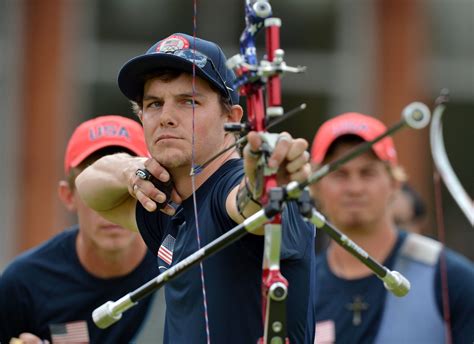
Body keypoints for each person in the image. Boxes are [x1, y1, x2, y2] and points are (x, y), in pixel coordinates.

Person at [75, 33, 315, 343]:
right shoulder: (164, 203)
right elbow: (88, 186)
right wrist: (131, 172)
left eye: (188, 102)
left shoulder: (231, 189)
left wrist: (265, 184)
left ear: (232, 118)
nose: (166, 118)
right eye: (154, 104)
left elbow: (248, 205)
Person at [309, 112, 474, 343]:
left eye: (368, 173)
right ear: (315, 186)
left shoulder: (447, 277)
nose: (354, 188)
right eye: (339, 174)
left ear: (395, 182)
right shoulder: (300, 288)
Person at [0, 116, 165, 343]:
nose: (110, 205)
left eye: (123, 186)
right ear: (68, 196)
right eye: (97, 188)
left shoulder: (180, 259)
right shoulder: (22, 284)